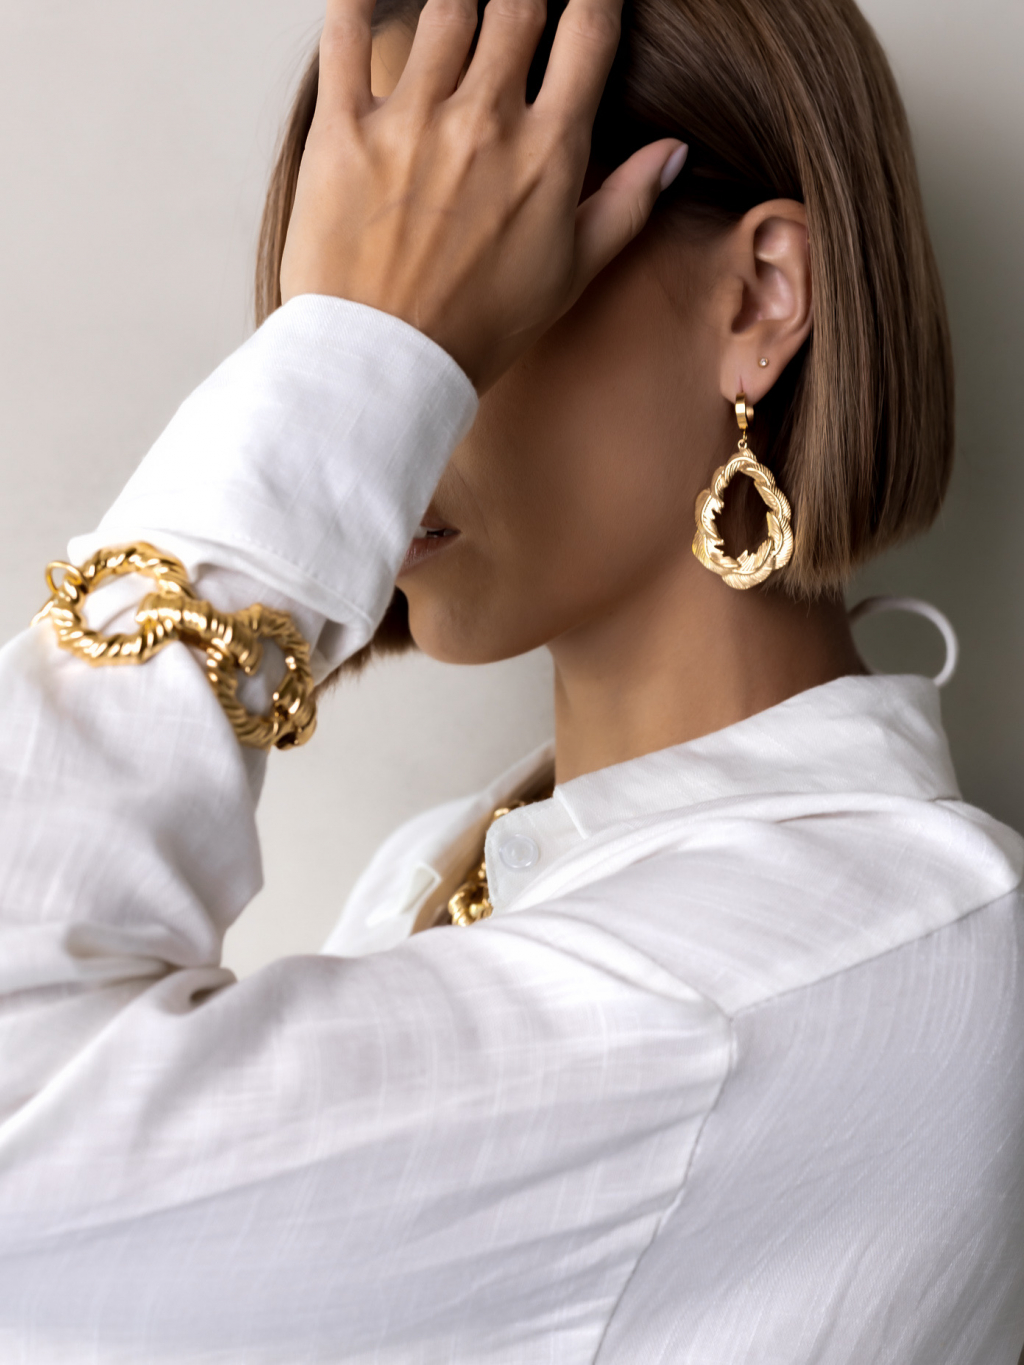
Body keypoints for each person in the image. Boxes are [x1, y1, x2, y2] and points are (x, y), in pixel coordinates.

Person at [1, 0, 1022, 1357]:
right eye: (348, 290)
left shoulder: (808, 971)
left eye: (483, 269)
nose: (409, 396)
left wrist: (355, 366)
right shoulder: (450, 865)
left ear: (759, 297)